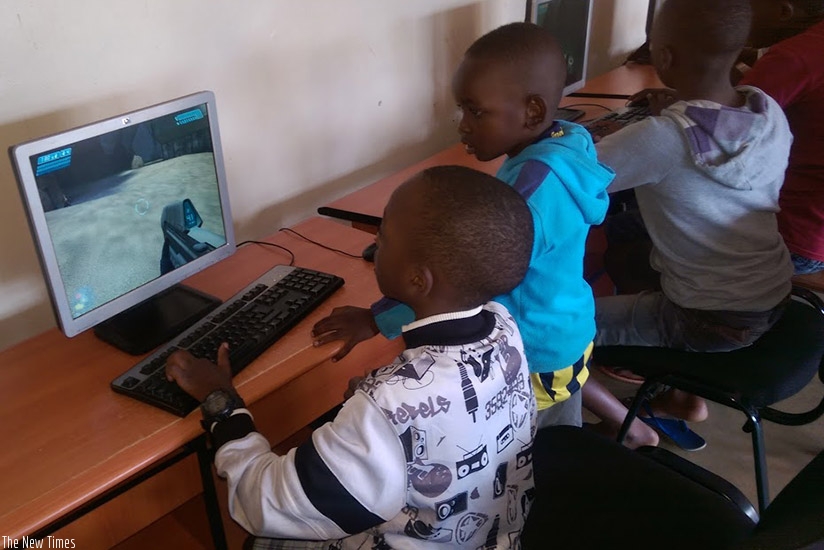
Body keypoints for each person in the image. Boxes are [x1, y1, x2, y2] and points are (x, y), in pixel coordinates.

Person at [165, 165, 538, 549]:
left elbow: (263, 503)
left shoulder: (389, 406)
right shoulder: (502, 324)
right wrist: (379, 414)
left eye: (385, 234)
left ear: (416, 280)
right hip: (493, 534)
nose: (375, 242)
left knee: (260, 540)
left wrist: (223, 405)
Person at [312, 22, 614, 429]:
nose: (463, 125)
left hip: (533, 350)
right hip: (566, 330)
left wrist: (374, 320)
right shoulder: (564, 144)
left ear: (533, 111)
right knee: (561, 437)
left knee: (529, 461)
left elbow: (461, 282)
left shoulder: (530, 196)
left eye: (476, 111)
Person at [582, 0, 795, 448]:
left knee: (541, 327)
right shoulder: (768, 112)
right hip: (771, 292)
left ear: (666, 57)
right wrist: (679, 107)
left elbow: (575, 178)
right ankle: (684, 399)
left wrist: (560, 135)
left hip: (704, 318)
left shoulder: (664, 138)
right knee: (624, 237)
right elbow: (706, 137)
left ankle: (631, 429)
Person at [738, 0, 824, 275]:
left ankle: (688, 315)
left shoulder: (794, 57)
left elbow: (719, 131)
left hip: (789, 237)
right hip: (815, 233)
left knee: (631, 228)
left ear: (783, 12)